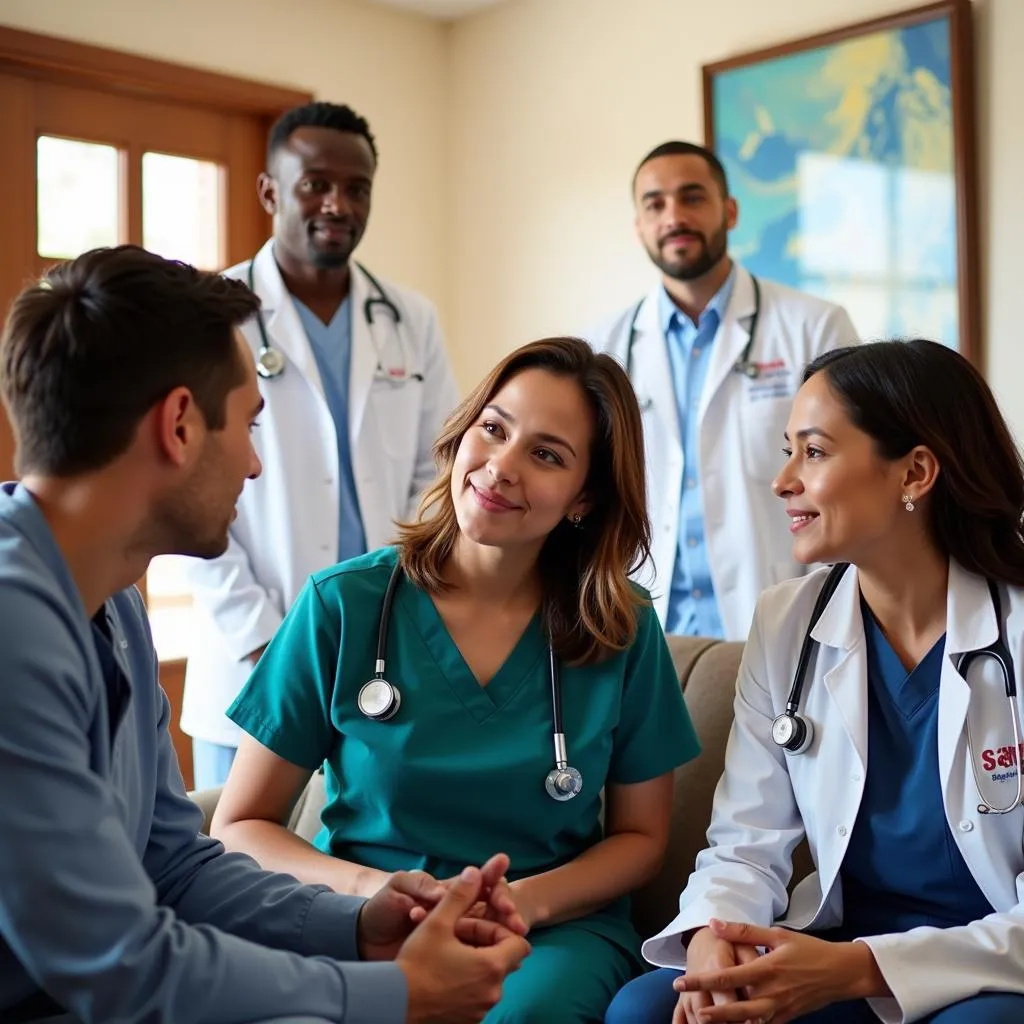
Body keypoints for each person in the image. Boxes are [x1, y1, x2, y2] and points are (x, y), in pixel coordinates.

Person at [0, 245, 529, 1024]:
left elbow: (173, 866)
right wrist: (397, 996)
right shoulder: (14, 626)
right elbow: (119, 960)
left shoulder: (114, 606)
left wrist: (358, 925)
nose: (253, 464)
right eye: (248, 424)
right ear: (179, 425)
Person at [209, 337, 701, 1023]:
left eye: (546, 454)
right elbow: (242, 823)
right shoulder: (342, 605)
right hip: (361, 919)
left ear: (585, 496)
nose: (501, 467)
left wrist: (517, 904)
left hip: (545, 932)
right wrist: (378, 891)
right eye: (493, 429)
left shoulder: (620, 627)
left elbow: (641, 841)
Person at [606, 339, 1024, 1024]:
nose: (783, 481)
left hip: (985, 967)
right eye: (786, 451)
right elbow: (745, 842)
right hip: (836, 954)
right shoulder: (788, 622)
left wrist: (858, 968)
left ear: (915, 472)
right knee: (646, 1011)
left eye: (815, 451)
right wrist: (715, 936)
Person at [181, 101, 460, 788]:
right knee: (238, 862)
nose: (337, 203)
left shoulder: (409, 318)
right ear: (270, 190)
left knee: (357, 862)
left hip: (379, 650)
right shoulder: (211, 313)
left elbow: (438, 472)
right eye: (315, 183)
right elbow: (181, 486)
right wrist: (261, 641)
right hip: (251, 655)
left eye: (356, 187)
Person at [587, 140, 857, 641]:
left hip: (783, 618)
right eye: (655, 204)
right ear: (640, 226)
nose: (674, 216)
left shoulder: (814, 327)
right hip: (645, 626)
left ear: (729, 211)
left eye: (692, 198)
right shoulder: (603, 347)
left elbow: (851, 479)